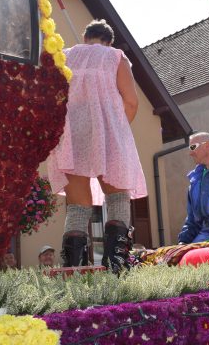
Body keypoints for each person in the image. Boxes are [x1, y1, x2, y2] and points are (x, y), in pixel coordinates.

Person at [46, 19, 146, 274]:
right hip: (107, 132)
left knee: (77, 207)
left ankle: (73, 271)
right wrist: (118, 130)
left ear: (85, 38)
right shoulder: (115, 56)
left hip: (71, 136)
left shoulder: (63, 56)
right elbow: (131, 102)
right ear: (109, 41)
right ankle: (116, 267)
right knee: (118, 196)